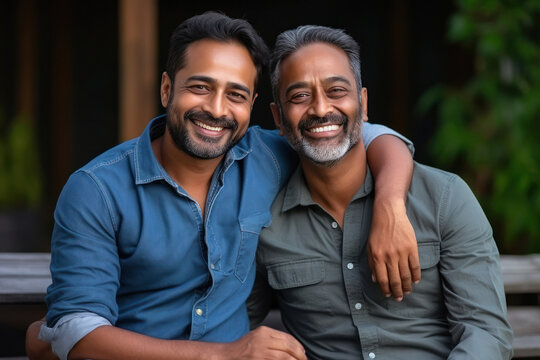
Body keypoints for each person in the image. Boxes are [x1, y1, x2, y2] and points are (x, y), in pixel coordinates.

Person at [25, 12, 419, 360]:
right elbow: (75, 332)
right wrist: (223, 355)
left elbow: (363, 133)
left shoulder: (266, 155)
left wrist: (389, 204)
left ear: (253, 106)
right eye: (200, 87)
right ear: (167, 89)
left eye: (236, 95)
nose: (216, 109)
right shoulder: (97, 189)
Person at [247, 24, 514, 360]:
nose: (319, 109)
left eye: (336, 91)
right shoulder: (263, 222)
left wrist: (390, 204)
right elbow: (236, 326)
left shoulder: (444, 198)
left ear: (363, 102)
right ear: (278, 118)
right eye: (299, 96)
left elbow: (486, 333)